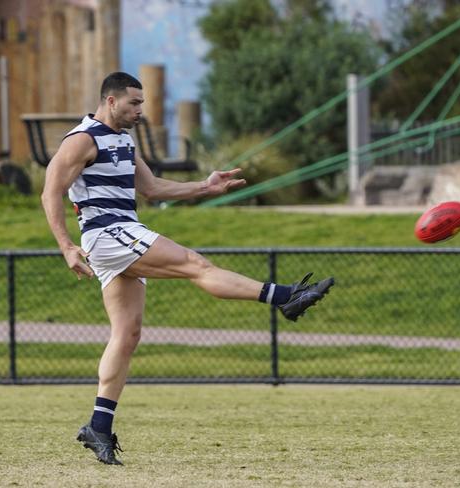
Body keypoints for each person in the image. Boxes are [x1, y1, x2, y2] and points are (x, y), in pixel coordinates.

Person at [41, 71, 334, 466]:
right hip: (108, 234)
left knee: (127, 334)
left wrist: (204, 187)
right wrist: (66, 247)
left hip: (122, 234)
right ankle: (284, 297)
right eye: (134, 103)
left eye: (141, 103)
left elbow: (153, 189)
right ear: (110, 101)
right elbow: (50, 191)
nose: (140, 110)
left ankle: (99, 425)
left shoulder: (123, 140)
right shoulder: (82, 139)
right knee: (195, 264)